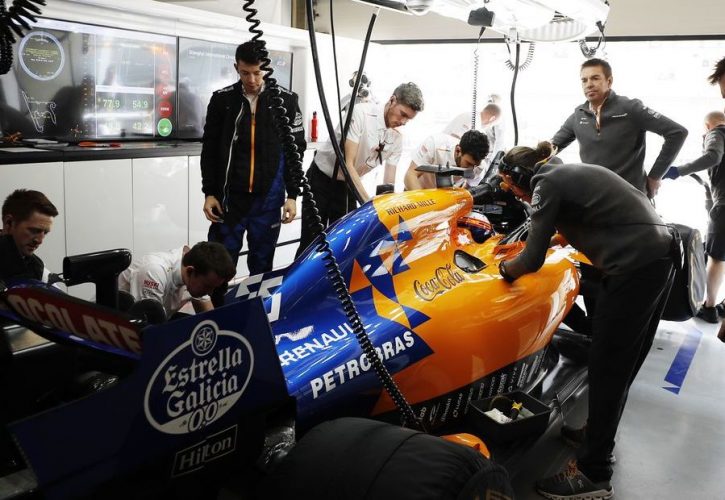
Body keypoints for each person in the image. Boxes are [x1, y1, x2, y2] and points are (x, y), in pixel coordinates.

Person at [496, 142, 676, 500]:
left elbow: (530, 262)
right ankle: (597, 435)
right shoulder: (564, 172)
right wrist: (550, 239)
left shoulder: (546, 183)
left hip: (634, 267)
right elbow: (587, 221)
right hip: (659, 257)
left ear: (521, 176)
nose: (512, 192)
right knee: (621, 364)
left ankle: (594, 474)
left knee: (607, 367)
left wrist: (503, 268)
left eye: (510, 184)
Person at [200, 40, 305, 306]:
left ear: (267, 69)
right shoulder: (222, 100)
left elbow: (296, 151)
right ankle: (218, 316)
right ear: (236, 67)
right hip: (229, 202)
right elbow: (209, 149)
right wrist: (209, 192)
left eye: (257, 73)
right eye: (245, 72)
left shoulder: (286, 101)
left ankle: (258, 316)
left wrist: (293, 195)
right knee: (220, 266)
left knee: (262, 266)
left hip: (268, 201)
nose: (252, 80)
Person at [297, 82, 424, 254]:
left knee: (342, 246)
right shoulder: (361, 113)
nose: (403, 122)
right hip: (322, 178)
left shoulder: (397, 139)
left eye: (409, 119)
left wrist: (389, 211)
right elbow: (348, 164)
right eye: (402, 114)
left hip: (349, 185)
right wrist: (368, 203)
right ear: (392, 100)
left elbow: (388, 184)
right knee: (310, 242)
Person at [551, 58, 687, 198]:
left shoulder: (630, 108)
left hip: (631, 198)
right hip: (594, 199)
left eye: (595, 78)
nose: (589, 84)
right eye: (584, 80)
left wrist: (655, 176)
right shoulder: (578, 115)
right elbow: (550, 148)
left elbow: (677, 133)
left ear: (609, 81)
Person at [664, 111, 725, 323]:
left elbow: (713, 157)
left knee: (716, 257)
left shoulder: (717, 132)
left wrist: (677, 171)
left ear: (707, 126)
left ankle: (709, 308)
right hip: (720, 204)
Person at [118, 242, 236, 319]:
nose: (210, 292)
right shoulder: (154, 271)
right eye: (207, 286)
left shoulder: (197, 269)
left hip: (157, 319)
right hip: (122, 324)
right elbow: (148, 329)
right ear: (190, 271)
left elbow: (209, 319)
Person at [0, 189, 58, 282]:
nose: (40, 241)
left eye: (45, 233)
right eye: (34, 230)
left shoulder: (37, 268)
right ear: (9, 223)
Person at [403, 130, 489, 190]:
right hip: (417, 191)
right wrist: (423, 204)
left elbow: (469, 188)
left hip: (445, 200)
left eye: (475, 165)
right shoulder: (434, 143)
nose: (471, 168)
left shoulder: (480, 167)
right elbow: (411, 175)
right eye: (468, 163)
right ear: (458, 151)